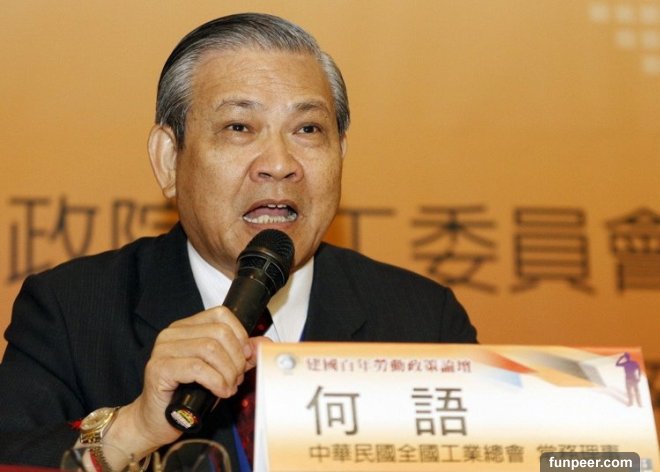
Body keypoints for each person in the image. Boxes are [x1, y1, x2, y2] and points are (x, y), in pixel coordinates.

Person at [0, 12, 477, 470]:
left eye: (308, 129)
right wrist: (134, 429)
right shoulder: (70, 311)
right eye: (239, 128)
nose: (279, 164)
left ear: (340, 153)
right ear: (168, 159)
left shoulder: (423, 322)